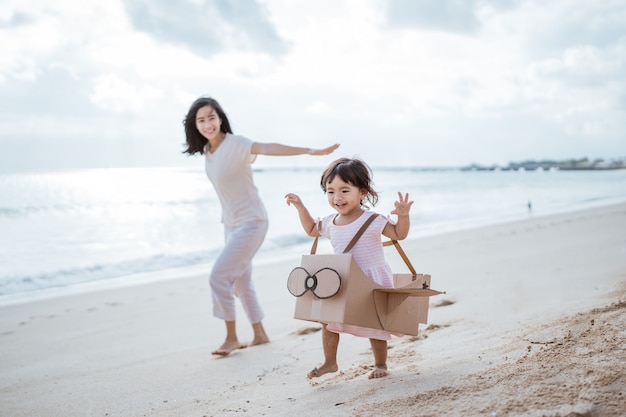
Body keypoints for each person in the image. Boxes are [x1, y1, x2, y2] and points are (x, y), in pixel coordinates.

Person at [183, 96, 339, 356]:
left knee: (219, 277)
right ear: (195, 125)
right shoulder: (209, 152)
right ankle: (260, 334)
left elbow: (269, 147)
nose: (208, 123)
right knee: (241, 282)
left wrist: (309, 150)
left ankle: (231, 337)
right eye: (202, 120)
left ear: (221, 119)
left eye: (212, 117)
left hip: (252, 222)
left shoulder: (237, 144)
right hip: (231, 225)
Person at [285, 157, 414, 379]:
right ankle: (330, 362)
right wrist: (300, 207)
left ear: (362, 192)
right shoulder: (329, 222)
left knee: (376, 325)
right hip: (343, 280)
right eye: (330, 191)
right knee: (328, 321)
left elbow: (398, 235)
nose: (337, 197)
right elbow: (311, 230)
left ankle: (381, 364)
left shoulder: (373, 219)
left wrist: (403, 216)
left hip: (372, 278)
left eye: (345, 190)